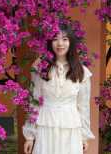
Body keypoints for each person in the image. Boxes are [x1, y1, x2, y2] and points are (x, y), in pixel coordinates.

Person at [23, 24, 95, 154]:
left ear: (71, 42)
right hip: (45, 126)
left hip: (71, 128)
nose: (60, 43)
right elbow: (34, 100)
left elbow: (83, 107)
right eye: (55, 39)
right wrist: (30, 136)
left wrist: (84, 136)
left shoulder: (82, 71)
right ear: (50, 42)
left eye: (65, 39)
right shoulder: (41, 67)